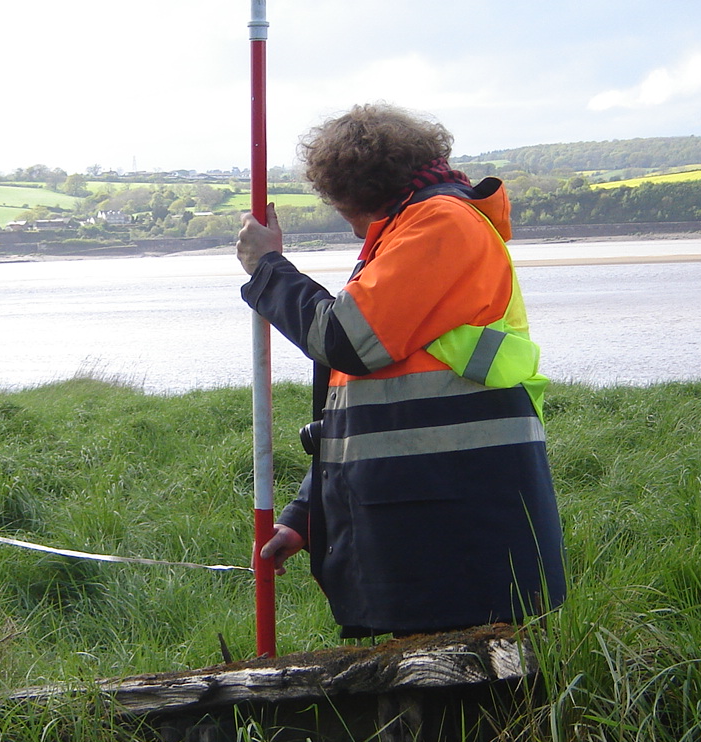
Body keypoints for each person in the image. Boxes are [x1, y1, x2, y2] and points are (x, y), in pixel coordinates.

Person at [236, 102, 565, 637]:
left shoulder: (438, 224)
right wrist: (306, 515)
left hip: (461, 532)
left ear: (351, 195)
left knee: (474, 707)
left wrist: (269, 270)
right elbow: (375, 409)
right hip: (434, 521)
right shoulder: (412, 231)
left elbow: (345, 340)